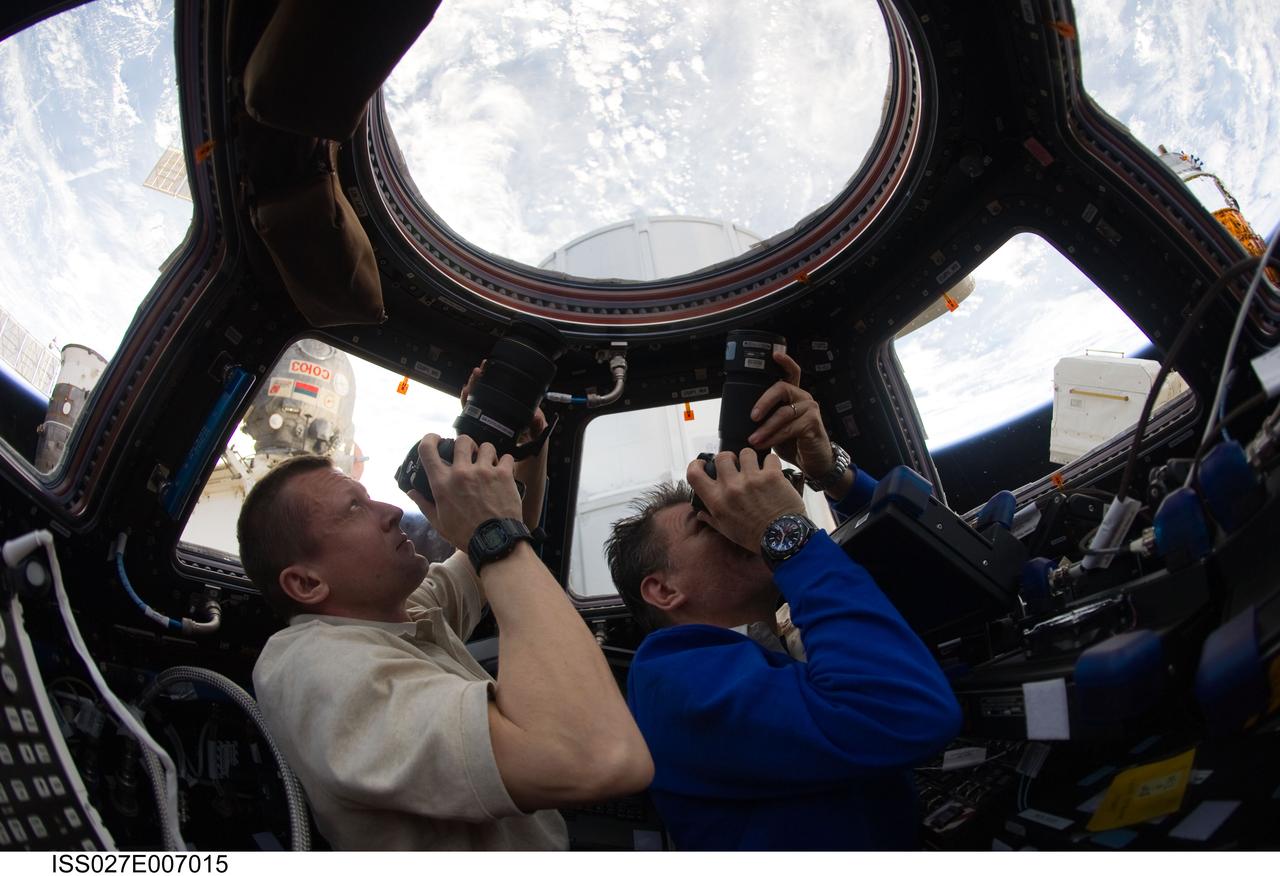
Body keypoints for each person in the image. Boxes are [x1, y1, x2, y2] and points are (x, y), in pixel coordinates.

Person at [240, 386, 653, 851]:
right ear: (307, 584)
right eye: (355, 508)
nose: (393, 510)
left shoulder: (402, 614)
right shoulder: (323, 675)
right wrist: (491, 532)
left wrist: (522, 448)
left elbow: (507, 538)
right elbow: (601, 758)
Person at [605, 351, 962, 850]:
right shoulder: (673, 679)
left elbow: (952, 571)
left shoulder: (778, 630)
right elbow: (902, 712)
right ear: (664, 590)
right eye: (703, 521)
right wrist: (783, 531)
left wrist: (830, 471)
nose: (729, 517)